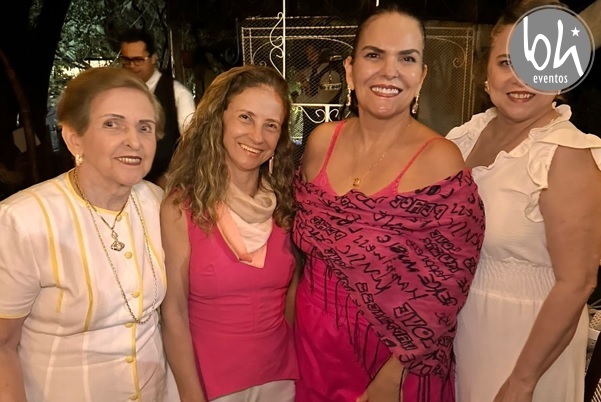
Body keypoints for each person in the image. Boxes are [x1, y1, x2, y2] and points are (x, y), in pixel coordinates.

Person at [292, 5, 485, 402]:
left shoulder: (440, 160)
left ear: (421, 77)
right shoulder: (320, 143)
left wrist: (395, 376)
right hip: (311, 354)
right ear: (350, 70)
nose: (389, 71)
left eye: (406, 58)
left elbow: (447, 290)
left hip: (391, 366)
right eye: (374, 54)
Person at [447, 1, 601, 401]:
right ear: (486, 72)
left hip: (526, 346)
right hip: (462, 334)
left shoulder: (566, 153)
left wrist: (522, 381)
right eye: (507, 62)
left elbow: (578, 282)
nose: (522, 78)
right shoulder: (463, 138)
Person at [0, 67, 171, 401]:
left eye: (145, 127)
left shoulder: (157, 203)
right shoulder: (22, 221)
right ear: (73, 138)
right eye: (112, 124)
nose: (134, 141)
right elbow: (3, 344)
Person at [160, 65, 299, 402]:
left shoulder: (286, 205)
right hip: (210, 386)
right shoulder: (182, 206)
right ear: (218, 119)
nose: (257, 137)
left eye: (271, 125)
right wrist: (192, 395)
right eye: (245, 118)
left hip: (282, 381)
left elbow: (292, 302)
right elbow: (173, 312)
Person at [119, 28, 196, 187]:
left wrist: (173, 174)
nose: (132, 66)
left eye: (138, 60)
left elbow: (193, 143)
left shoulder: (178, 94)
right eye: (126, 60)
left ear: (153, 58)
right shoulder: (118, 92)